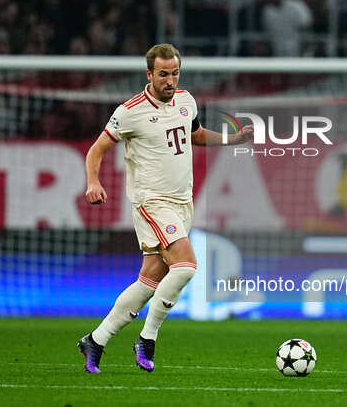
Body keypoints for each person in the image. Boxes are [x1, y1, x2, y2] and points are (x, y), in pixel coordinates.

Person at [77, 43, 253, 374]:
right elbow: (96, 150)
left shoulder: (186, 101)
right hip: (151, 201)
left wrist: (233, 139)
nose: (169, 81)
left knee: (148, 282)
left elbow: (196, 135)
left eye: (174, 74)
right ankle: (147, 339)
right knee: (186, 267)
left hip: (181, 202)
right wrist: (93, 182)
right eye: (163, 75)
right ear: (149, 74)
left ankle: (95, 340)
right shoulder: (130, 111)